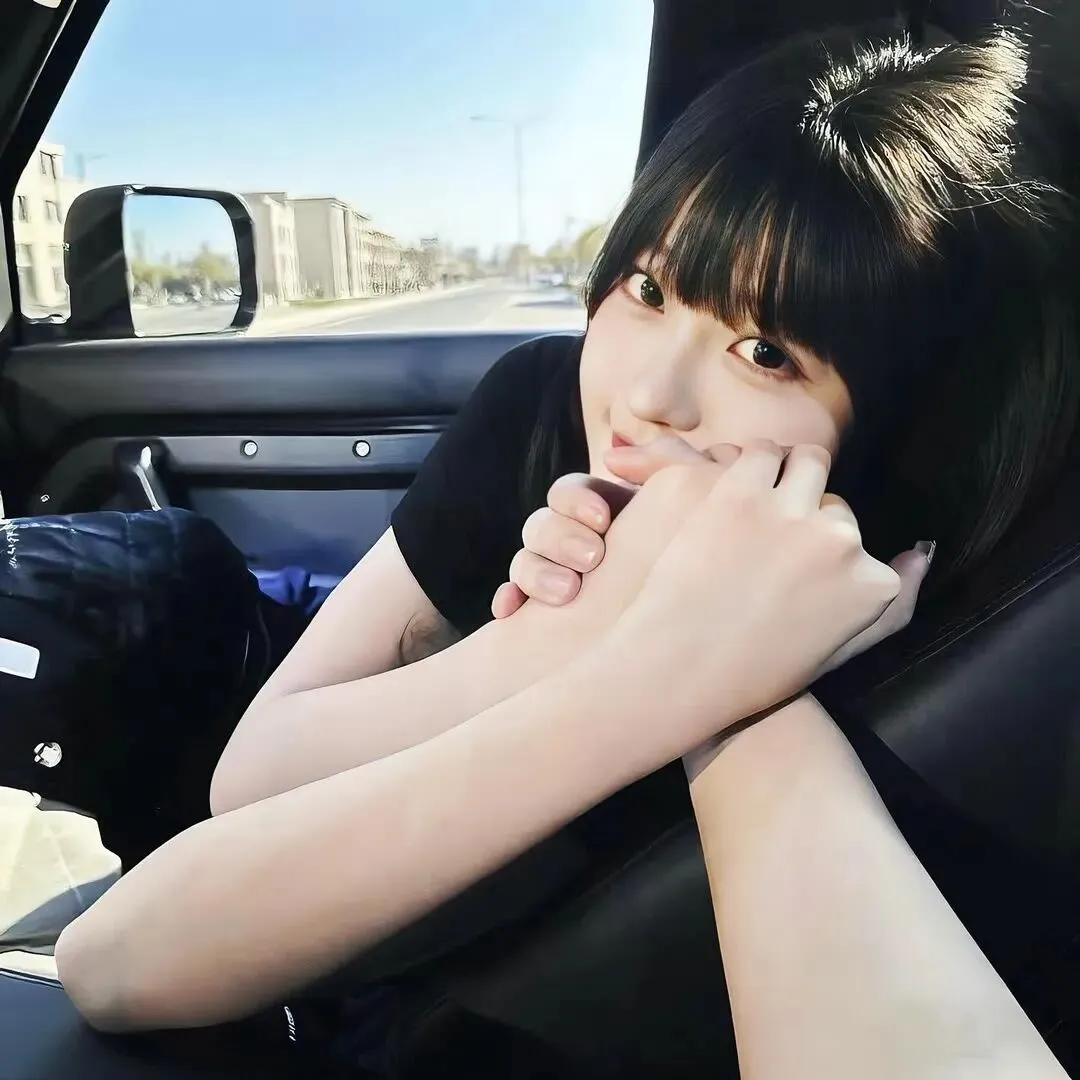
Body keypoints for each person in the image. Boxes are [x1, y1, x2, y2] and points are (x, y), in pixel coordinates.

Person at [55, 14, 1080, 1054]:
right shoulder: (537, 410)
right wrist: (587, 635)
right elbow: (226, 816)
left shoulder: (923, 613)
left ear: (902, 424)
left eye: (766, 352)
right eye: (647, 289)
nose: (647, 396)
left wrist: (697, 662)